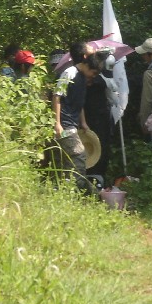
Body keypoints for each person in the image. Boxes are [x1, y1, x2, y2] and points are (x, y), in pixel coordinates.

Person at [52, 42, 103, 194]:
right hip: (65, 124)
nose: (93, 77)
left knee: (65, 161)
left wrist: (84, 123)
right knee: (79, 156)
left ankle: (63, 192)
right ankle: (79, 191)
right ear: (86, 65)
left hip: (74, 124)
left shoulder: (82, 79)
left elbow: (79, 103)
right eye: (93, 73)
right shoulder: (70, 72)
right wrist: (57, 123)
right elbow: (57, 96)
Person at [84, 50, 117, 180]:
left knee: (100, 148)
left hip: (98, 118)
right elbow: (114, 98)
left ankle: (97, 177)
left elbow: (112, 96)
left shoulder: (96, 77)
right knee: (94, 147)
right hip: (93, 119)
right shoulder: (95, 79)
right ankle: (94, 177)